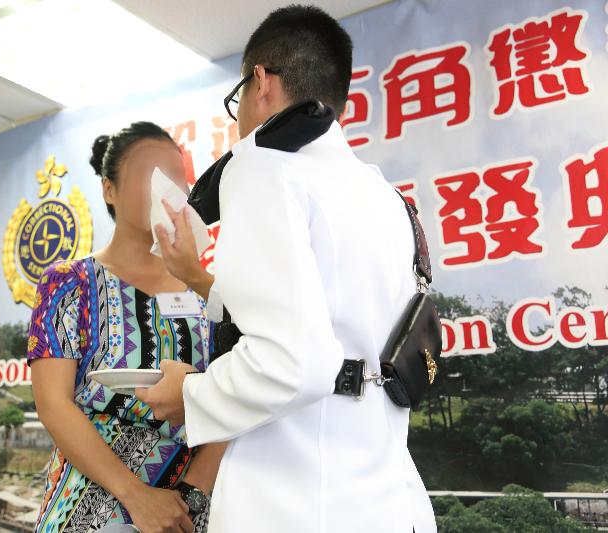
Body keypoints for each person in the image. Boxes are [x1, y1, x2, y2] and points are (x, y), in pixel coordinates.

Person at [135, 6, 437, 533]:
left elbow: (295, 360)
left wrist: (191, 395)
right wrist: (195, 276)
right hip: (386, 504)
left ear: (261, 80)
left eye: (238, 103)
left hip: (297, 505)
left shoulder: (262, 164)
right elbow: (323, 328)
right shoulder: (386, 197)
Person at [28, 122, 227, 533]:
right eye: (146, 171)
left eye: (174, 173)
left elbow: (239, 390)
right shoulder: (68, 282)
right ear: (109, 189)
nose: (163, 185)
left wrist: (194, 494)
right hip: (88, 502)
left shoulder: (211, 290)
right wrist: (135, 495)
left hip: (184, 509)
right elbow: (53, 403)